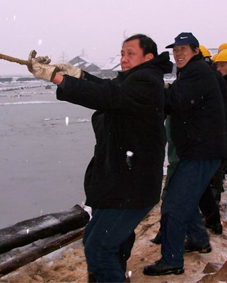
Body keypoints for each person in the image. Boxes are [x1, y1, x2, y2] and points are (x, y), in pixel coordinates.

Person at [28, 34, 173, 283]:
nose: (123, 58)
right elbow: (110, 90)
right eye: (122, 53)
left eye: (130, 53)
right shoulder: (134, 81)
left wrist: (57, 77)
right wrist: (79, 75)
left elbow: (108, 97)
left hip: (133, 184)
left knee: (100, 247)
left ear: (148, 57)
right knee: (96, 241)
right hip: (122, 180)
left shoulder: (147, 81)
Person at [143, 32, 226, 276]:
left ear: (196, 51)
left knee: (173, 206)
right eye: (175, 50)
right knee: (186, 200)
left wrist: (148, 84)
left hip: (201, 152)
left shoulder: (197, 72)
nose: (178, 54)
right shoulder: (193, 72)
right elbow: (176, 98)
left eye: (183, 49)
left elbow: (173, 101)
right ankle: (199, 240)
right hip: (199, 150)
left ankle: (172, 260)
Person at [198, 46, 227, 236]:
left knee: (209, 182)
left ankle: (212, 221)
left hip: (212, 140)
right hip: (216, 138)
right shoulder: (214, 78)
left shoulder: (209, 80)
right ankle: (212, 220)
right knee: (209, 182)